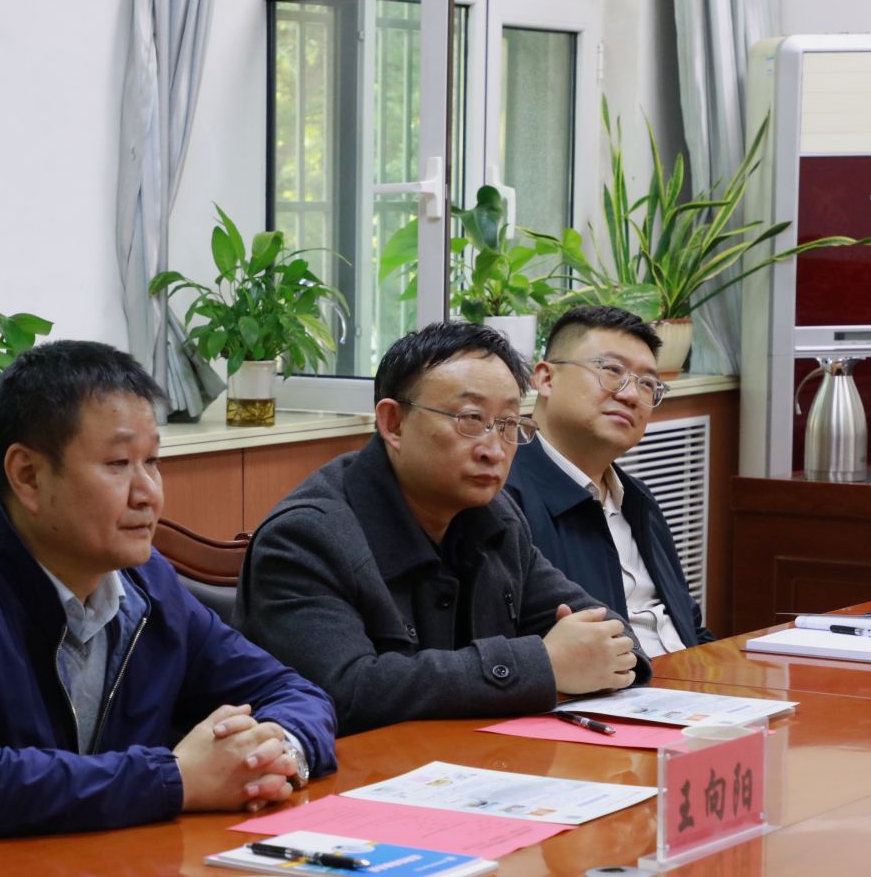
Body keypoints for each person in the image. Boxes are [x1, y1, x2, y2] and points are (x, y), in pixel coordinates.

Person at [0, 340, 337, 866]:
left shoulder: (146, 582)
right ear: (27, 475)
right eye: (118, 463)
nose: (148, 493)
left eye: (153, 461)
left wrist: (275, 752)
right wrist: (176, 778)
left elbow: (294, 692)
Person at [236, 321, 647, 736]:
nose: (493, 450)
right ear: (394, 423)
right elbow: (343, 694)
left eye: (508, 424)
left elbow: (608, 630)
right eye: (470, 419)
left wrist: (593, 653)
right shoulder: (304, 537)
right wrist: (543, 664)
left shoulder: (495, 516)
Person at [504, 305, 713, 656]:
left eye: (647, 384)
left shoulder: (637, 498)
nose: (631, 395)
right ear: (546, 379)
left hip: (688, 680)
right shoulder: (504, 497)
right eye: (612, 370)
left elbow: (689, 626)